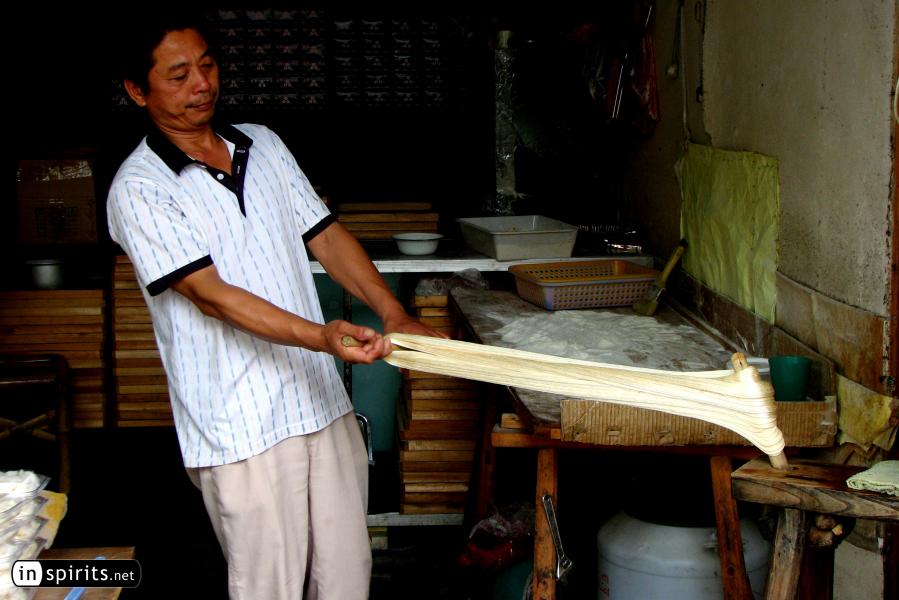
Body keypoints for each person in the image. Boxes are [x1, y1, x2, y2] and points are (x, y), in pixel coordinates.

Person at [107, 15, 444, 599]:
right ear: (138, 91)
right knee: (270, 588)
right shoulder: (139, 189)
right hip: (239, 424)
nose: (202, 85)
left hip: (318, 399)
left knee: (346, 578)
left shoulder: (261, 142)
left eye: (207, 65)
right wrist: (320, 335)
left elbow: (327, 236)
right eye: (179, 75)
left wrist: (391, 310)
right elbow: (210, 295)